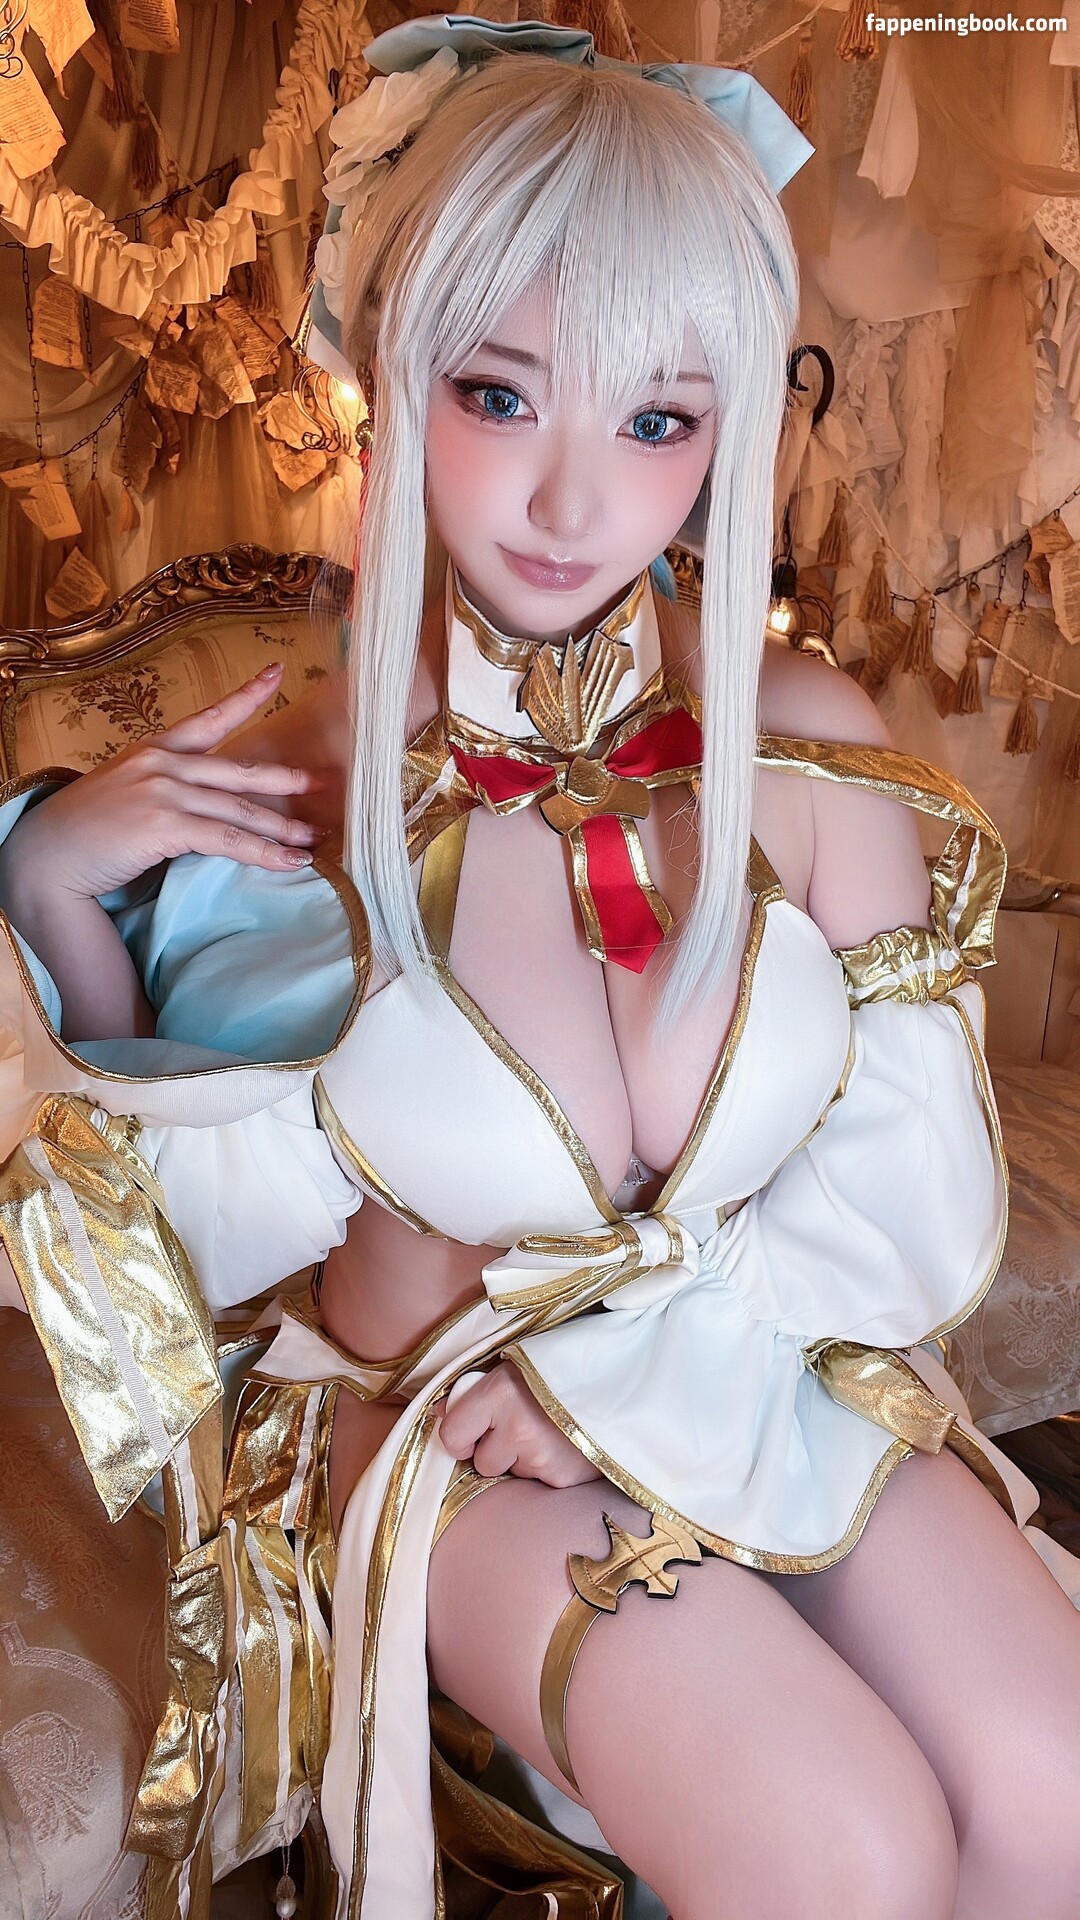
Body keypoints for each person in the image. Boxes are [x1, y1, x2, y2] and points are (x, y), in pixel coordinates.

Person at [0, 19, 1078, 1920]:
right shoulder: (302, 776)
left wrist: (654, 1358)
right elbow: (172, 1242)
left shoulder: (812, 746)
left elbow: (910, 1199)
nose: (576, 505)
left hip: (773, 1358)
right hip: (450, 1426)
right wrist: (61, 878)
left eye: (658, 422)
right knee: (844, 1845)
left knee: (1060, 1781)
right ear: (393, 370)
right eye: (502, 395)